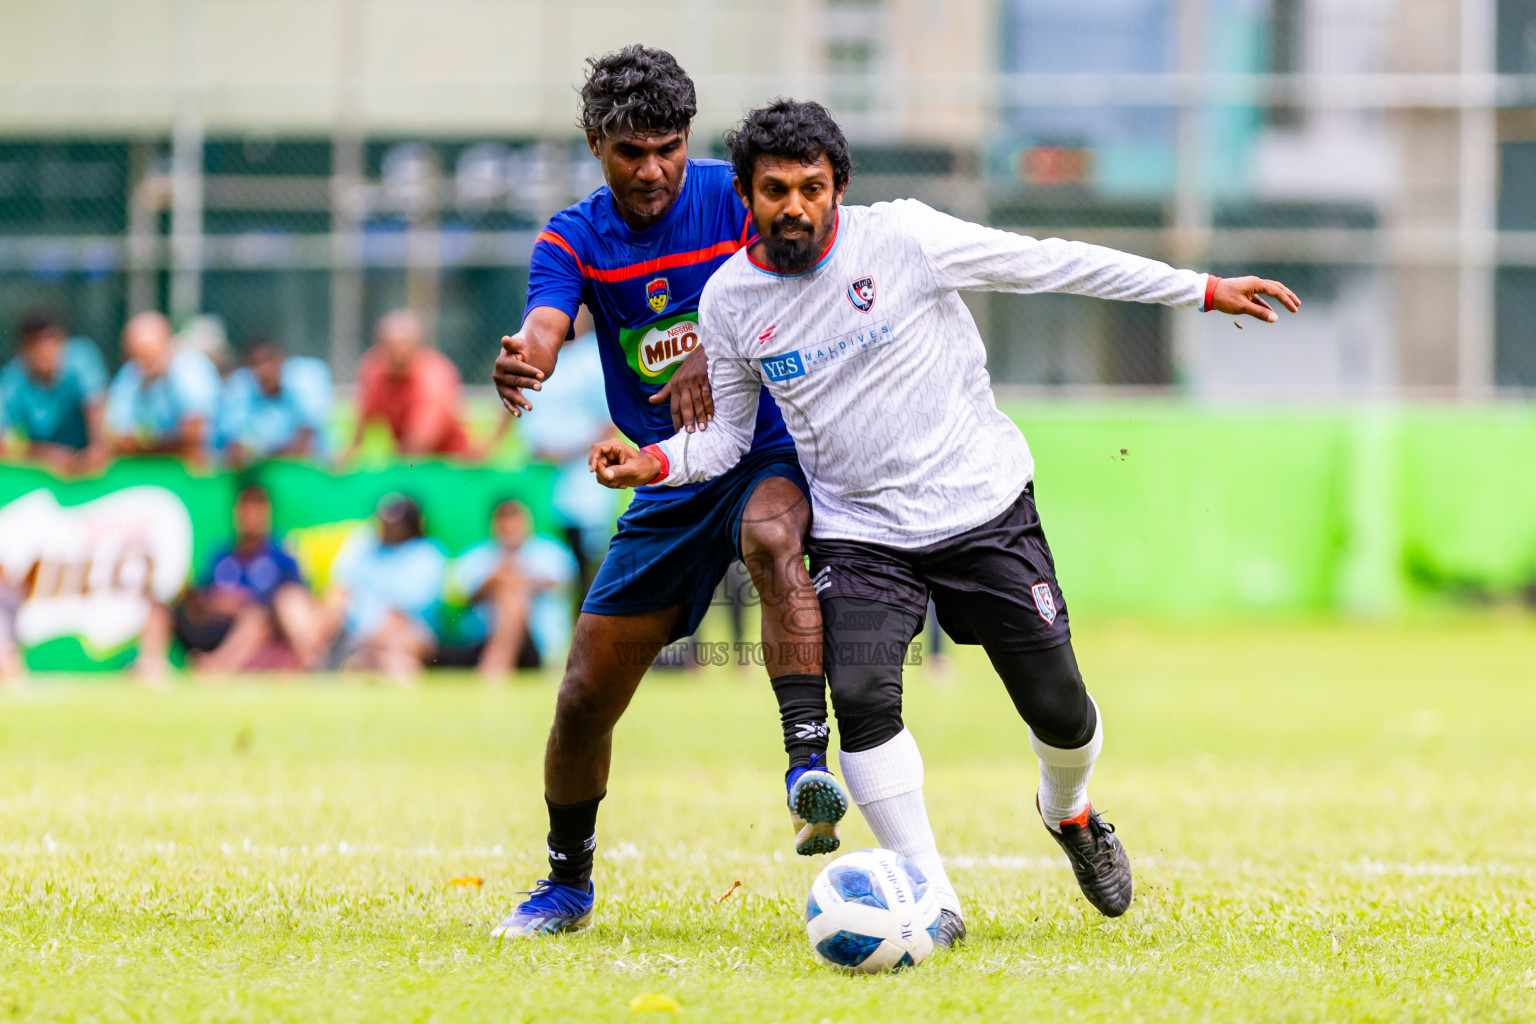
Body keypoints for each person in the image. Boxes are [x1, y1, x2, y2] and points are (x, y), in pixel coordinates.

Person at [590, 100, 1301, 940]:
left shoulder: (903, 239)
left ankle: (1069, 812)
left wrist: (1202, 289)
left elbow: (1052, 262)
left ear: (839, 188)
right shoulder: (732, 302)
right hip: (860, 534)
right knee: (859, 695)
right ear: (745, 194)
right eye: (775, 189)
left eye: (812, 188)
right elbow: (727, 443)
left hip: (981, 508)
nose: (794, 207)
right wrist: (659, 461)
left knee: (1061, 711)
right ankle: (932, 899)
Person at [488, 45, 843, 939]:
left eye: (669, 148)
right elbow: (547, 317)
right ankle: (567, 883)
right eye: (631, 151)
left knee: (772, 540)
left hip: (768, 447)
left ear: (690, 140)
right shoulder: (574, 238)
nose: (653, 170)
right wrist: (529, 352)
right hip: (667, 479)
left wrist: (714, 351)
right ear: (594, 144)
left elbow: (814, 275)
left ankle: (809, 767)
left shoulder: (740, 193)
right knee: (581, 697)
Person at [134, 483, 321, 679]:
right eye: (246, 509)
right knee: (160, 608)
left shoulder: (281, 556)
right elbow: (202, 594)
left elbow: (290, 602)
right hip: (212, 624)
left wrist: (242, 603)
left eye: (257, 510)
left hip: (248, 632)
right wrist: (205, 599)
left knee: (256, 619)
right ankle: (149, 667)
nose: (251, 517)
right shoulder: (221, 554)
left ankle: (217, 669)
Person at [513, 306, 617, 602]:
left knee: (587, 572)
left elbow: (610, 422)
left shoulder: (595, 358)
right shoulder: (536, 353)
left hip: (583, 485)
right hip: (540, 488)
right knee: (546, 569)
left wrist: (565, 452)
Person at [441, 499, 578, 677]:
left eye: (515, 518)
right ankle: (497, 663)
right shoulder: (476, 558)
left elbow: (562, 588)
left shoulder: (551, 554)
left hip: (538, 641)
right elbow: (459, 600)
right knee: (507, 594)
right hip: (483, 639)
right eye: (504, 519)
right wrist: (492, 584)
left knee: (511, 597)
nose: (510, 525)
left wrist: (517, 581)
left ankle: (495, 667)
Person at [319, 494, 447, 681]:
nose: (387, 526)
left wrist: (366, 643)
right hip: (352, 633)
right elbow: (340, 589)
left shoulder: (427, 554)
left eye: (395, 522)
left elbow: (401, 614)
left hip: (402, 633)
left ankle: (368, 664)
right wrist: (326, 625)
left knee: (402, 641)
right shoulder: (363, 542)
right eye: (383, 520)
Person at [347, 310, 471, 459]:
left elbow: (425, 434)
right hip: (408, 457)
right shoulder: (375, 371)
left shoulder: (433, 374)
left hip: (450, 459)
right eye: (389, 345)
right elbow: (365, 414)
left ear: (417, 345)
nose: (397, 352)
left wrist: (399, 459)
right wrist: (351, 451)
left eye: (403, 344)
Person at [105, 311, 222, 466]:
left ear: (168, 344)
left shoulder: (191, 368)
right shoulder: (131, 372)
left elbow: (194, 439)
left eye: (149, 356)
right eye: (137, 356)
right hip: (152, 471)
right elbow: (114, 436)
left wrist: (144, 445)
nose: (143, 365)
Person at [0, 309, 110, 474]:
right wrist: (48, 455)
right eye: (36, 342)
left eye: (51, 340)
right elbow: (4, 442)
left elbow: (96, 404)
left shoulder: (82, 358)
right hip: (40, 470)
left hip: (86, 460)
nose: (45, 349)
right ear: (24, 348)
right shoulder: (12, 380)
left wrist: (97, 448)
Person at [218, 340, 334, 465]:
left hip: (309, 468)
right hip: (266, 467)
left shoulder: (305, 378)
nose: (264, 371)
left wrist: (262, 456)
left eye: (268, 361)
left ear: (281, 362)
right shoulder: (242, 386)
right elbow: (233, 448)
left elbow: (305, 447)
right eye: (256, 364)